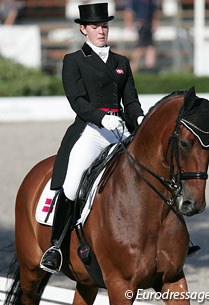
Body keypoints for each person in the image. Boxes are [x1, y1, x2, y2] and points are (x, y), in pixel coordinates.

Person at [40, 2, 145, 274]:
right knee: (73, 186)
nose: (101, 31)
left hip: (120, 129)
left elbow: (131, 101)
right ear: (84, 29)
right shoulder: (73, 61)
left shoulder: (121, 62)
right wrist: (101, 118)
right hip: (92, 130)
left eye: (105, 26)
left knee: (153, 170)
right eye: (96, 26)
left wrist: (140, 119)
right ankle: (56, 246)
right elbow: (77, 101)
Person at [124, 0, 159, 72]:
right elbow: (128, 12)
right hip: (141, 26)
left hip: (148, 27)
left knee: (150, 47)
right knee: (140, 48)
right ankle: (132, 67)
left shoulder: (150, 2)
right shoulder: (135, 1)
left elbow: (154, 13)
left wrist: (155, 23)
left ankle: (149, 67)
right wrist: (130, 24)